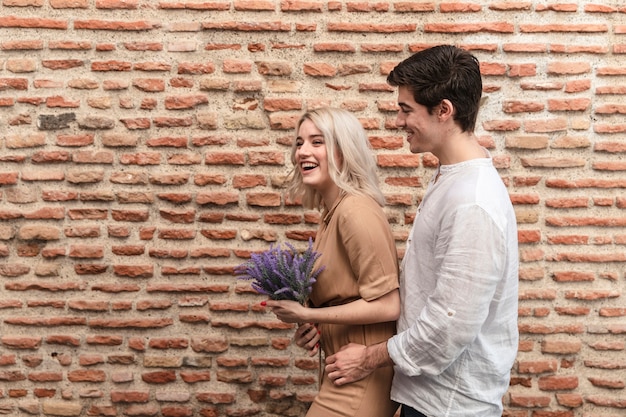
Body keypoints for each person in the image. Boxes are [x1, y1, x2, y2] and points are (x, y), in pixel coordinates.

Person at [324, 45, 519, 417]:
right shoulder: (453, 180)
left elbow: (448, 327)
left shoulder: (472, 201)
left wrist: (368, 358)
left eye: (406, 110)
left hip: (449, 406)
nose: (398, 121)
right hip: (428, 398)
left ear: (444, 110)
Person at [263, 107, 401, 417]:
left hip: (363, 376)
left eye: (317, 141)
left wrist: (302, 310)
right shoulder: (331, 215)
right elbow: (344, 295)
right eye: (299, 143)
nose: (303, 152)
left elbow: (389, 304)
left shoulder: (355, 211)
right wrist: (315, 321)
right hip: (342, 370)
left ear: (343, 151)